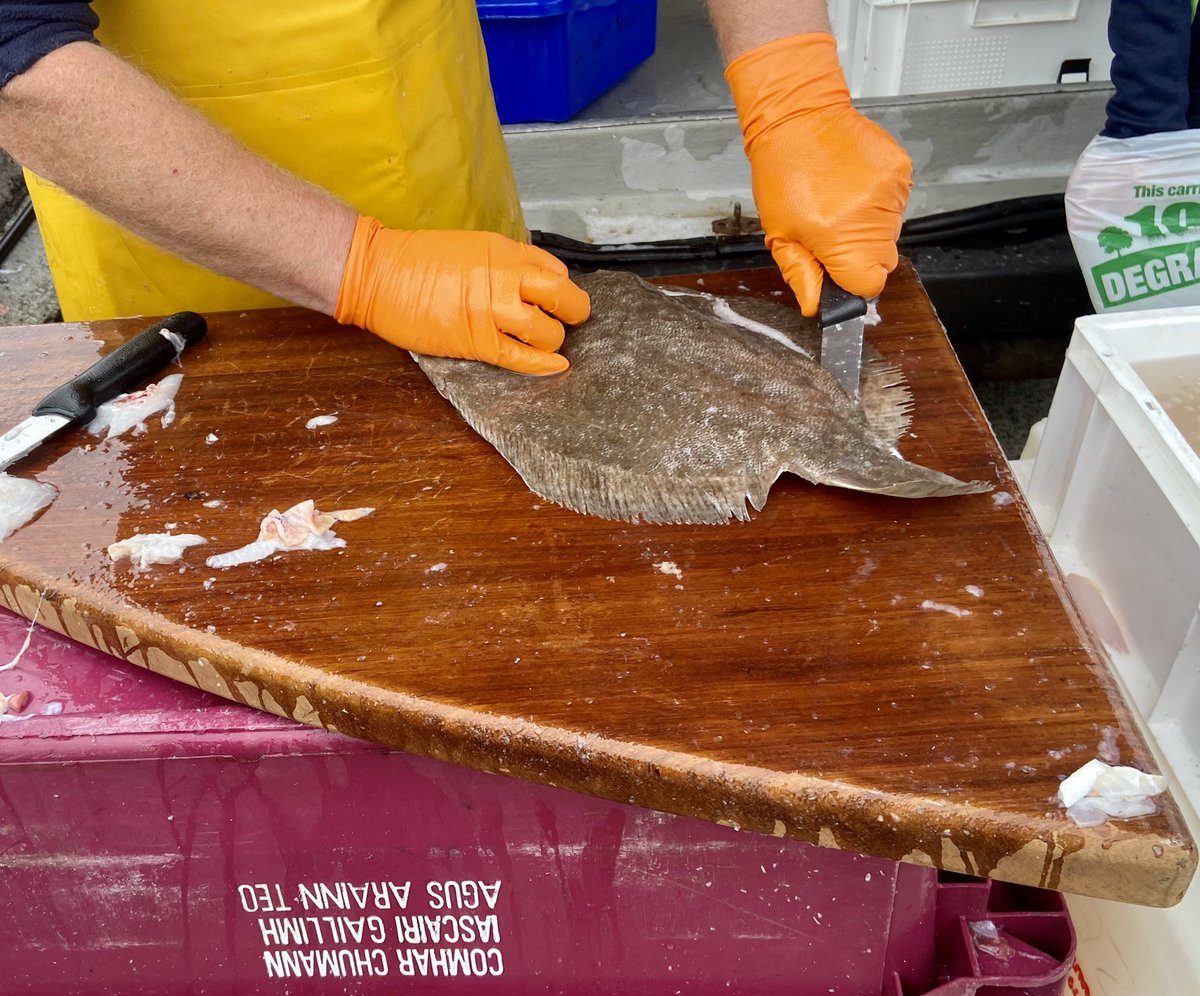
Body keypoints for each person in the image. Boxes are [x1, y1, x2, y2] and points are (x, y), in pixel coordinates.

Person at [0, 0, 911, 374]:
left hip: (447, 189)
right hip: (197, 278)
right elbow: (19, 57)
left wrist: (794, 95)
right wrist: (362, 268)